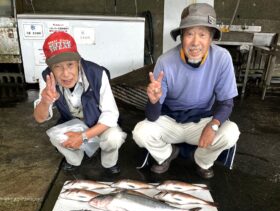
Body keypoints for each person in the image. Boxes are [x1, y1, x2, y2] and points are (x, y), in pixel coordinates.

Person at [132, 3, 240, 179]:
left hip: (202, 121)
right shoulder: (165, 62)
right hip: (170, 120)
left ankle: (202, 160)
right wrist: (153, 101)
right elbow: (152, 117)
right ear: (181, 36)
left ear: (211, 37)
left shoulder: (222, 58)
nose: (195, 42)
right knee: (140, 132)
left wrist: (213, 125)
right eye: (189, 34)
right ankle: (167, 154)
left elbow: (226, 102)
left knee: (231, 132)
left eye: (202, 34)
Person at [34, 31, 126, 173]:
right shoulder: (47, 78)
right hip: (73, 125)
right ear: (50, 68)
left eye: (70, 64)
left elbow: (111, 114)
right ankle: (75, 159)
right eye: (58, 66)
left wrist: (83, 136)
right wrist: (45, 101)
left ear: (78, 62)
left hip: (98, 124)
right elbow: (40, 118)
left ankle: (109, 163)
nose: (65, 73)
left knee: (114, 137)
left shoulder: (97, 73)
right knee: (54, 137)